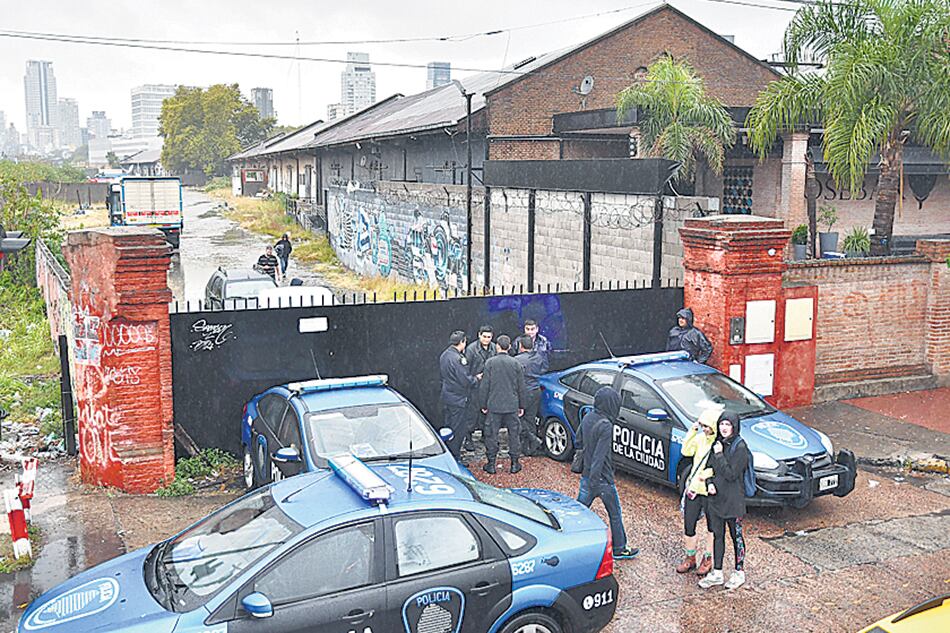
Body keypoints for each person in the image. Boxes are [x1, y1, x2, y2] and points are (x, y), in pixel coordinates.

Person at [576, 386, 639, 560]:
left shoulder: (588, 416)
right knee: (615, 514)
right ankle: (619, 548)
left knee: (578, 513)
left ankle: (569, 542)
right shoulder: (606, 425)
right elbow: (600, 456)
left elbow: (578, 440)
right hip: (602, 479)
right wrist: (597, 481)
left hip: (586, 476)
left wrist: (589, 477)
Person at [699, 411, 749, 590]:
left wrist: (720, 455)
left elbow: (731, 474)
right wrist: (710, 483)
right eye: (722, 424)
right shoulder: (717, 443)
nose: (724, 428)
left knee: (736, 536)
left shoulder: (740, 447)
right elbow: (709, 468)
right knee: (717, 535)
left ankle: (739, 571)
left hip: (733, 500)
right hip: (716, 498)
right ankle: (717, 572)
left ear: (734, 426)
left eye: (728, 425)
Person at [676, 408, 718, 576]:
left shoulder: (718, 445)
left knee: (712, 527)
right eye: (703, 425)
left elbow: (719, 468)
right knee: (689, 524)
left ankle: (708, 558)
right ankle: (690, 557)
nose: (705, 429)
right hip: (694, 489)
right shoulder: (700, 438)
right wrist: (692, 431)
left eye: (707, 426)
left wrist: (706, 476)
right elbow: (686, 451)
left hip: (710, 491)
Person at [479, 335, 526, 474]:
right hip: (512, 405)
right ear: (509, 346)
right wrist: (522, 405)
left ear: (497, 346)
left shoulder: (490, 363)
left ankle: (491, 464)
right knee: (514, 434)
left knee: (491, 434)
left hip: (494, 404)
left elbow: (484, 386)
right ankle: (514, 463)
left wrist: (483, 404)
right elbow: (521, 387)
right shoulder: (516, 363)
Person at [439, 331, 478, 458]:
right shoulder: (459, 359)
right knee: (458, 430)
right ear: (462, 342)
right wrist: (476, 379)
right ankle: (454, 456)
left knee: (448, 428)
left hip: (447, 396)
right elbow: (465, 379)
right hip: (458, 399)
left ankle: (448, 454)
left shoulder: (444, 355)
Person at [463, 325, 495, 452]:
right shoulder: (471, 349)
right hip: (475, 386)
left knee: (487, 412)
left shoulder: (494, 348)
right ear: (479, 335)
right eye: (485, 337)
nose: (487, 339)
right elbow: (465, 368)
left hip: (489, 386)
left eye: (489, 337)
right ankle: (468, 438)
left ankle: (484, 435)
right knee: (472, 413)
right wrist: (474, 377)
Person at [514, 336, 545, 456]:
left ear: (521, 346)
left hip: (523, 391)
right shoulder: (539, 357)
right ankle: (530, 448)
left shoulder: (517, 360)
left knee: (519, 418)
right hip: (536, 390)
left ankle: (530, 440)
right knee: (531, 418)